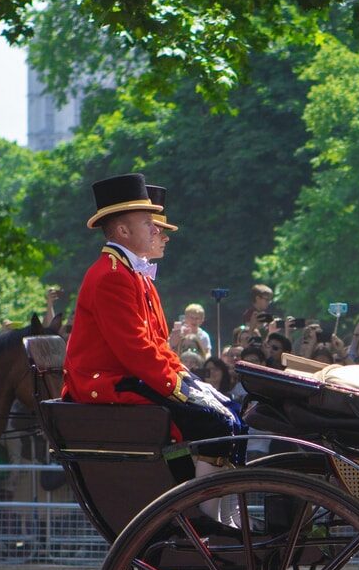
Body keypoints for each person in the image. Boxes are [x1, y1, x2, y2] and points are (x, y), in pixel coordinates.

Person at [63, 174, 241, 461]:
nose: (156, 230)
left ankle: (213, 501)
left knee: (228, 414)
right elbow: (137, 351)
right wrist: (181, 389)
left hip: (130, 376)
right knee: (214, 422)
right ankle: (210, 504)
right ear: (122, 230)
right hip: (110, 382)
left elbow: (156, 346)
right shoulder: (111, 276)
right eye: (148, 223)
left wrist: (188, 380)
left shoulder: (129, 273)